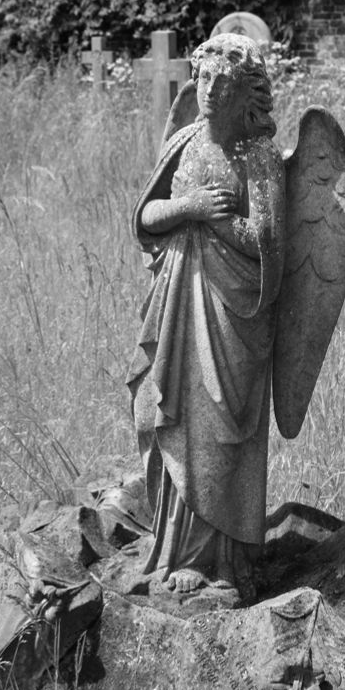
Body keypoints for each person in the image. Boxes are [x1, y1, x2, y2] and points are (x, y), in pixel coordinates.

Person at [126, 34, 285, 598]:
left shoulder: (259, 157)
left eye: (225, 83)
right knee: (163, 411)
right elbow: (146, 216)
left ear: (247, 93)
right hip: (175, 304)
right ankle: (172, 549)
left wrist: (219, 224)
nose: (211, 92)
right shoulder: (188, 141)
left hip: (232, 316)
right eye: (204, 80)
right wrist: (190, 208)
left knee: (219, 429)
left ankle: (218, 564)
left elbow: (268, 247)